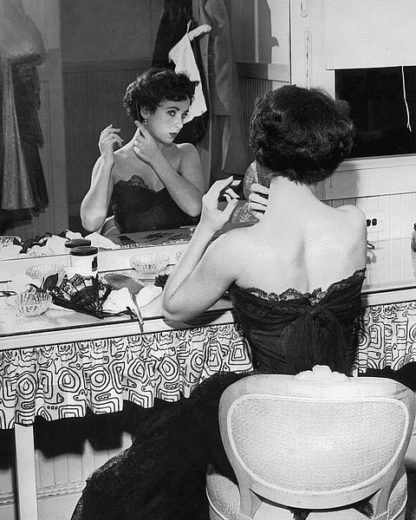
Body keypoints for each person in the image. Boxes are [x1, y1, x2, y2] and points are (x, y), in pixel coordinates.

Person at [71, 85, 370, 520]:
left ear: (261, 153)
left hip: (269, 439)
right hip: (340, 425)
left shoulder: (238, 248)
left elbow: (173, 308)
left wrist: (207, 226)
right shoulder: (354, 225)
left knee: (146, 476)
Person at [80, 68, 206, 235]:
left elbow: (194, 208)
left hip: (185, 250)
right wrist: (106, 164)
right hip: (133, 251)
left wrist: (156, 159)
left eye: (183, 115)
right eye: (172, 113)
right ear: (145, 111)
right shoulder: (114, 161)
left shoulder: (186, 153)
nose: (180, 124)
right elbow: (90, 223)